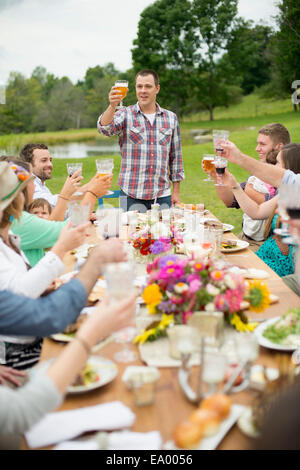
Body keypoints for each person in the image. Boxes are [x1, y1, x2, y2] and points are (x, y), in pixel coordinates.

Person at [0, 161, 90, 370]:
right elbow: (21, 294)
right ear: (16, 201)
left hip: (29, 340)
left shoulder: (10, 238)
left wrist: (42, 289)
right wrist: (61, 248)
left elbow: (14, 288)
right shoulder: (19, 229)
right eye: (25, 188)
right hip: (16, 354)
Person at [97, 69, 185, 212]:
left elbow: (176, 158)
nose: (143, 90)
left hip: (162, 195)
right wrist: (112, 106)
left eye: (148, 86)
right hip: (131, 194)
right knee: (130, 234)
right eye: (139, 86)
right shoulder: (124, 114)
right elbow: (104, 129)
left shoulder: (171, 118)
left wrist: (176, 192)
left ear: (157, 89)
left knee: (163, 234)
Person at [0, 156, 103, 267]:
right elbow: (71, 230)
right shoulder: (19, 221)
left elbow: (50, 235)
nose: (34, 185)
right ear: (21, 187)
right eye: (31, 180)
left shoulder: (13, 218)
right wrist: (92, 194)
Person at [222, 144, 300, 288]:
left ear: (289, 169)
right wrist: (233, 184)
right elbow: (256, 212)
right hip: (265, 255)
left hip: (280, 265)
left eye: (277, 162)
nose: (273, 165)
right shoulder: (286, 193)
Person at [203, 123, 290, 251]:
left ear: (279, 146)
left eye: (262, 144)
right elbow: (231, 201)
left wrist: (245, 190)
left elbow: (268, 207)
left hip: (266, 245)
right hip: (244, 237)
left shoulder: (288, 176)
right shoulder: (257, 172)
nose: (257, 148)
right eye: (257, 143)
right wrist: (216, 177)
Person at [19, 143, 112, 221]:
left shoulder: (42, 185)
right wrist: (91, 190)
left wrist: (79, 214)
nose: (50, 164)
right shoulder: (29, 185)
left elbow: (56, 212)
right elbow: (49, 204)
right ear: (28, 165)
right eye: (44, 160)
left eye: (50, 160)